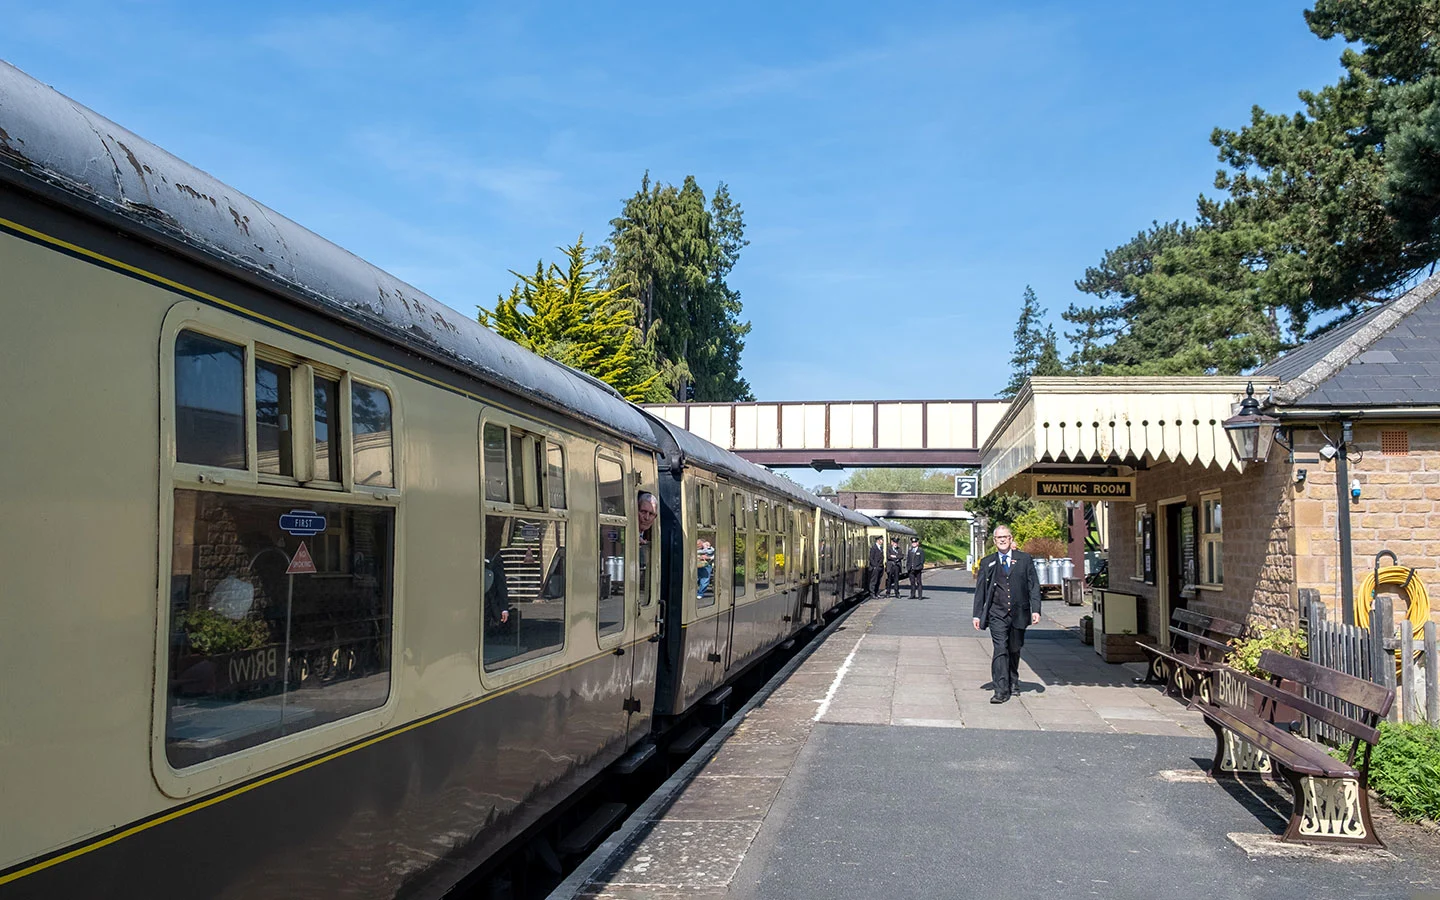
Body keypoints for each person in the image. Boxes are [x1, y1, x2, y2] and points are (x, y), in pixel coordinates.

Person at [971, 525, 1041, 704]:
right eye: (998, 537)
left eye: (1005, 537)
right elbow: (981, 590)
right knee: (1000, 649)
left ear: (1011, 539)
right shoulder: (987, 562)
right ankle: (1000, 690)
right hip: (997, 614)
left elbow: (1033, 585)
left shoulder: (1024, 559)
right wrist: (977, 614)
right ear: (994, 541)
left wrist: (1036, 610)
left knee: (1014, 648)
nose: (1002, 540)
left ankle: (1013, 680)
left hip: (1019, 612)